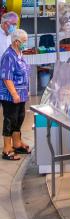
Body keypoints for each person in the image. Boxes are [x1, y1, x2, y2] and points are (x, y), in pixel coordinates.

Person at [0, 29, 31, 160]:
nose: (26, 43)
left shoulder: (19, 53)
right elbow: (6, 77)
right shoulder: (8, 55)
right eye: (24, 41)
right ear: (16, 42)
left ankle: (17, 144)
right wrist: (14, 94)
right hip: (10, 95)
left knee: (19, 118)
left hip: (21, 93)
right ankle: (7, 148)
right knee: (10, 120)